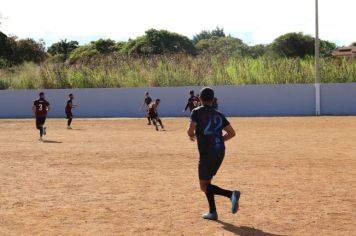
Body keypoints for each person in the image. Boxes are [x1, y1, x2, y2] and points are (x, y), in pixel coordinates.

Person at [187, 87, 239, 221]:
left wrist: (192, 136)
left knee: (204, 186)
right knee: (208, 183)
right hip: (220, 151)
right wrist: (220, 139)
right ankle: (212, 212)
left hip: (207, 152)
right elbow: (232, 133)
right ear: (212, 99)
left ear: (200, 99)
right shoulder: (219, 114)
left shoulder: (196, 111)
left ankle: (231, 194)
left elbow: (190, 130)